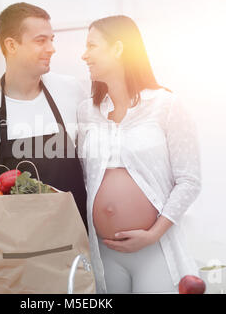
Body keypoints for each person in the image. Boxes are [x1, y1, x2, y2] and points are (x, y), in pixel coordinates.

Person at [0, 2, 88, 263]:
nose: (51, 48)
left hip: (78, 241)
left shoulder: (72, 91)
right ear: (11, 45)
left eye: (52, 39)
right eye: (40, 40)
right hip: (17, 252)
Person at [77, 15, 202, 293]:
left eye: (92, 46)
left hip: (154, 249)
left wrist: (152, 234)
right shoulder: (87, 111)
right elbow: (86, 179)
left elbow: (189, 180)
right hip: (105, 253)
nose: (84, 55)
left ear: (119, 49)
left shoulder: (166, 104)